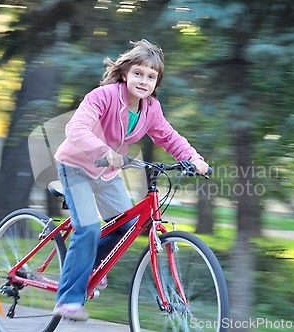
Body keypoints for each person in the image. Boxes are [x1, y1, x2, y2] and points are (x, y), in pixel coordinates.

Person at [52, 39, 209, 321]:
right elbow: (75, 127)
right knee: (87, 228)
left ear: (156, 82)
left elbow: (169, 137)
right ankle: (68, 299)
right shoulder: (103, 96)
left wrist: (194, 159)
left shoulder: (151, 109)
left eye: (151, 77)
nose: (143, 81)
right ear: (125, 73)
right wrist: (104, 150)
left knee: (128, 225)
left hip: (107, 173)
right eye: (138, 73)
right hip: (76, 165)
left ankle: (88, 266)